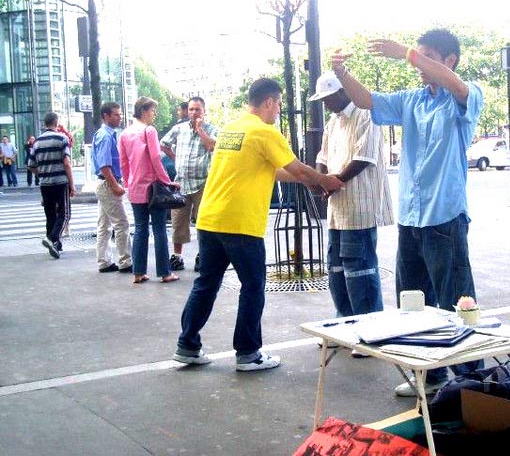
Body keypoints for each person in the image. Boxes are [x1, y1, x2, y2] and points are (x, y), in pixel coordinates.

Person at [332, 28, 484, 396]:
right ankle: (429, 377)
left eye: (428, 57)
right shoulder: (413, 100)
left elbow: (457, 86)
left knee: (457, 301)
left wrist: (405, 53)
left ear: (449, 60)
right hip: (412, 220)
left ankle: (473, 385)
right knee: (413, 303)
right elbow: (367, 101)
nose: (419, 65)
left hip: (445, 218)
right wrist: (341, 73)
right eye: (419, 56)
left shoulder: (465, 96)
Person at [172, 78, 344, 370]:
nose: (278, 110)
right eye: (278, 104)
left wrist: (307, 180)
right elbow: (298, 168)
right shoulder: (265, 132)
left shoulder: (231, 129)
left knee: (206, 283)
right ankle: (248, 353)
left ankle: (187, 346)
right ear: (269, 102)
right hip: (240, 223)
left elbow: (270, 170)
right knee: (253, 286)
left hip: (210, 219)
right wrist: (325, 180)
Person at [310, 70, 394, 357]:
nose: (325, 104)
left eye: (328, 98)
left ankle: (371, 331)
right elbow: (322, 157)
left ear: (342, 92)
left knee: (359, 267)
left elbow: (363, 158)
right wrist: (321, 178)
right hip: (337, 207)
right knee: (336, 266)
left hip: (360, 205)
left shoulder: (365, 114)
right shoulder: (333, 122)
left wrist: (333, 182)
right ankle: (345, 323)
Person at [119, 97, 180, 284]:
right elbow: (155, 158)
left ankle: (138, 272)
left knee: (140, 229)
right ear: (144, 111)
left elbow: (124, 163)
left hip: (135, 187)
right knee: (160, 229)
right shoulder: (149, 130)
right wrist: (167, 181)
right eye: (153, 110)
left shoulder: (125, 133)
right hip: (153, 188)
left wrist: (128, 183)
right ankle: (164, 272)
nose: (154, 114)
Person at [161, 97, 217, 273]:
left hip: (202, 183)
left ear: (204, 111)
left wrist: (200, 130)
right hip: (181, 183)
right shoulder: (179, 129)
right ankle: (177, 256)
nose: (194, 113)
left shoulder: (212, 129)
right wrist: (175, 158)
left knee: (203, 222)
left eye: (197, 109)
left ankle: (203, 255)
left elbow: (212, 147)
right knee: (178, 221)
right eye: (191, 109)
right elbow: (164, 144)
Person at [91, 102, 132, 273]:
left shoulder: (103, 134)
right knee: (121, 223)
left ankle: (104, 261)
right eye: (116, 114)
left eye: (120, 114)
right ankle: (125, 261)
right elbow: (104, 165)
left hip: (104, 182)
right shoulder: (106, 136)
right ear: (106, 116)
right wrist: (115, 185)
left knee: (104, 224)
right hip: (108, 182)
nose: (119, 117)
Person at [28, 112, 75, 259]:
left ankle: (56, 246)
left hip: (45, 183)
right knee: (65, 214)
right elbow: (67, 163)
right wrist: (72, 184)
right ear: (56, 123)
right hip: (60, 182)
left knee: (50, 215)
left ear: (45, 123)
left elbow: (31, 165)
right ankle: (52, 238)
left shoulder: (37, 142)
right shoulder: (62, 139)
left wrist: (42, 173)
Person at [161, 102, 188, 182]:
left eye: (179, 110)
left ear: (185, 111)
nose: (178, 113)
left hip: (177, 165)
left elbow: (162, 144)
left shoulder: (180, 125)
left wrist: (175, 158)